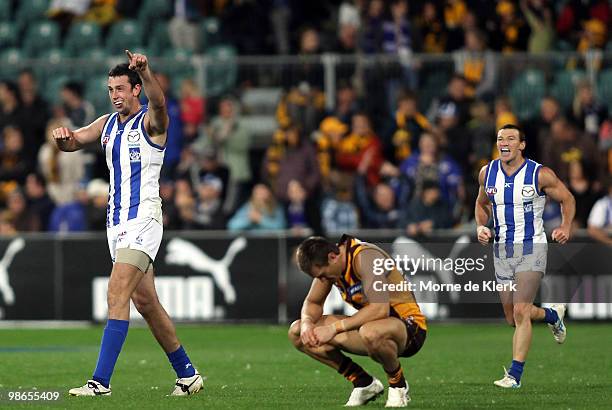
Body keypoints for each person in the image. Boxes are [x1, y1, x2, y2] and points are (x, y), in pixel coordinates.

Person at [53, 51, 203, 396]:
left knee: (115, 292)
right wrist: (63, 139)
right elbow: (75, 140)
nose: (115, 95)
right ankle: (188, 374)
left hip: (144, 219)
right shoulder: (106, 124)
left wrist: (147, 71)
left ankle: (100, 382)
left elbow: (160, 103)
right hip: (116, 225)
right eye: (110, 89)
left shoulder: (151, 122)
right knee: (146, 303)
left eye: (121, 88)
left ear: (136, 90)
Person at [474, 124, 576, 388]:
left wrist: (565, 226)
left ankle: (514, 376)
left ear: (521, 145)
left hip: (533, 246)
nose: (504, 142)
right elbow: (481, 204)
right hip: (502, 250)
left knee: (520, 310)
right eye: (500, 138)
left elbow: (568, 199)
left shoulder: (539, 174)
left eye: (510, 138)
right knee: (513, 318)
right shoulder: (487, 172)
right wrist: (481, 227)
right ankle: (553, 316)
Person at [289, 235, 427, 407]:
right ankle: (363, 382)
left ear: (333, 257)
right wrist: (308, 323)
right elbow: (313, 302)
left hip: (408, 328)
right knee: (298, 331)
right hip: (370, 327)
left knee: (371, 332)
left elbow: (379, 309)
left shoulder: (365, 257)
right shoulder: (332, 266)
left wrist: (334, 328)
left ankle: (398, 384)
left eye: (323, 275)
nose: (323, 280)